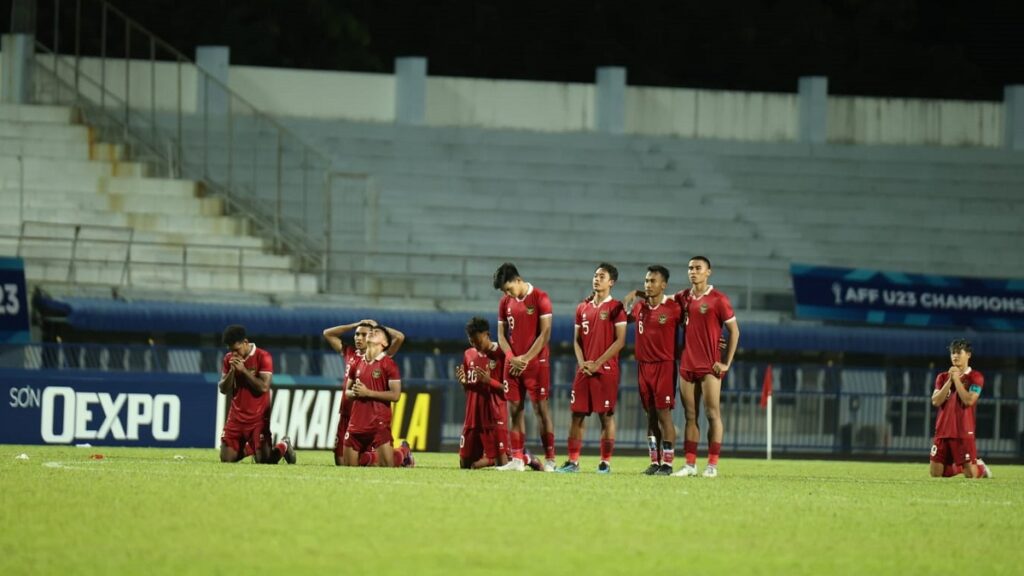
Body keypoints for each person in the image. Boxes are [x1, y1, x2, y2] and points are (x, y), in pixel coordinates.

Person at [672, 256, 739, 478]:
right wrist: (637, 294)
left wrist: (726, 363)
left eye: (698, 268)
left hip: (710, 367)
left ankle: (712, 465)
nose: (693, 271)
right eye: (690, 267)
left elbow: (735, 332)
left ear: (708, 271)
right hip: (687, 365)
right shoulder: (683, 297)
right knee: (690, 416)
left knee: (712, 414)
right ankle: (690, 464)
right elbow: (661, 299)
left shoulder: (719, 299)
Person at [558, 263, 627, 473]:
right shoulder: (582, 307)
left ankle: (605, 462)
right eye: (595, 275)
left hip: (605, 370)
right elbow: (577, 341)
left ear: (611, 282)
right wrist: (582, 363)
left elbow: (620, 341)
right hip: (584, 369)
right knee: (576, 415)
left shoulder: (616, 308)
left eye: (602, 276)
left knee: (605, 416)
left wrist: (598, 362)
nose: (596, 279)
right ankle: (573, 461)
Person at [493, 262, 557, 471]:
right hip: (512, 364)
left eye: (509, 288)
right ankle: (518, 459)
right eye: (504, 291)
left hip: (536, 364)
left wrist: (526, 359)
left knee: (541, 411)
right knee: (514, 411)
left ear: (518, 280)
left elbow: (545, 333)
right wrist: (511, 357)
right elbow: (502, 335)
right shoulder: (505, 303)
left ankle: (550, 460)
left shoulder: (540, 297)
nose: (507, 294)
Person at [623, 265, 683, 475]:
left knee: (664, 415)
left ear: (663, 285)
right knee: (650, 417)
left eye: (653, 281)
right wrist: (633, 296)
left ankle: (668, 463)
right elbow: (622, 315)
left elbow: (693, 326)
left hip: (664, 366)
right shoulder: (640, 307)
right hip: (643, 366)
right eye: (646, 281)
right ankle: (654, 461)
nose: (648, 285)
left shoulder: (674, 308)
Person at [323, 319, 405, 466]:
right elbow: (327, 334)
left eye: (363, 334)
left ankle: (402, 454)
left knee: (375, 462)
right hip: (348, 413)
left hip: (373, 415)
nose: (359, 338)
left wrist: (378, 326)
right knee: (341, 463)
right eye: (356, 334)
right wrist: (354, 325)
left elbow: (399, 337)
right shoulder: (351, 355)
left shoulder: (384, 357)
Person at [218, 324, 295, 465]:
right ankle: (252, 448)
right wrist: (232, 372)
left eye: (236, 350)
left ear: (245, 343)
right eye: (230, 350)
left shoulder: (263, 356)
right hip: (236, 418)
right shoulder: (228, 359)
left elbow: (264, 387)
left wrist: (244, 371)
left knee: (265, 461)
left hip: (258, 419)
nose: (233, 354)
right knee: (226, 459)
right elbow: (223, 389)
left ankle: (284, 445)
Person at [929, 338, 992, 479]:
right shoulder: (942, 377)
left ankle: (981, 468)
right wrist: (950, 380)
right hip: (942, 431)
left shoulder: (976, 377)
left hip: (963, 431)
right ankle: (960, 467)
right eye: (952, 353)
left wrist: (957, 379)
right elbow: (935, 401)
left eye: (958, 352)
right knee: (936, 473)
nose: (955, 356)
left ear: (968, 354)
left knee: (971, 475)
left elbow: (969, 400)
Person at [456, 317, 513, 469]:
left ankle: (522, 457)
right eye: (472, 342)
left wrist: (489, 381)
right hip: (472, 416)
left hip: (494, 416)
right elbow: (470, 388)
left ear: (487, 334)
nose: (475, 345)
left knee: (503, 465)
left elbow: (509, 391)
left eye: (478, 341)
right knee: (465, 464)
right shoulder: (468, 354)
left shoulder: (502, 354)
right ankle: (491, 459)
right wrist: (464, 383)